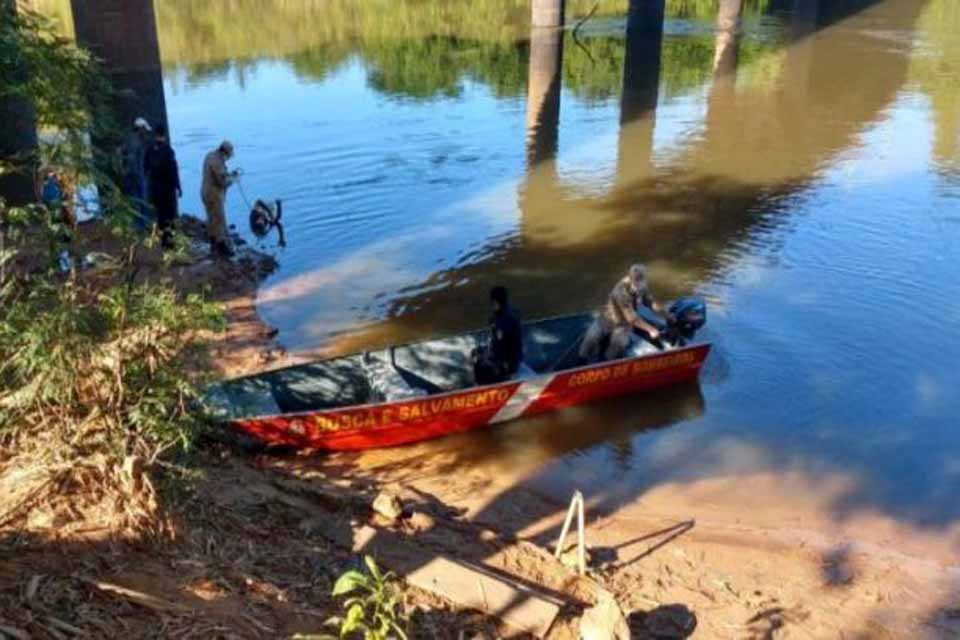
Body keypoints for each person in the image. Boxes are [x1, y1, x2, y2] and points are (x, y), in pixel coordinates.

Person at [579, 264, 671, 362]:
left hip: (624, 324)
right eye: (636, 281)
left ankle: (607, 362)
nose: (639, 285)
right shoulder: (620, 291)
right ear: (630, 278)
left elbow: (650, 302)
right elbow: (632, 319)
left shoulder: (642, 286)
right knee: (590, 339)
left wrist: (667, 314)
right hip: (607, 319)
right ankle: (584, 360)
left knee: (617, 346)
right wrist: (651, 330)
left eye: (641, 280)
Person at [473, 286, 523, 385]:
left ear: (495, 302)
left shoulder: (503, 321)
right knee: (476, 353)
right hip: (509, 358)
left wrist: (488, 358)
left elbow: (502, 347)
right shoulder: (507, 315)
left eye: (492, 302)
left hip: (507, 366)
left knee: (479, 366)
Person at [143, 124, 182, 249]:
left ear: (155, 135)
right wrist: (178, 187)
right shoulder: (168, 151)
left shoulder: (149, 150)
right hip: (167, 189)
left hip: (155, 188)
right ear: (164, 136)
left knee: (160, 214)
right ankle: (170, 243)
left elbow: (145, 168)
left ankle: (163, 241)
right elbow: (173, 171)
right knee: (170, 215)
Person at [201, 140, 238, 258]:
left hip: (205, 192)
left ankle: (213, 246)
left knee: (211, 219)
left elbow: (218, 174)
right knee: (220, 220)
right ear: (225, 152)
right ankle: (222, 248)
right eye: (229, 155)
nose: (229, 158)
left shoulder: (210, 155)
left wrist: (229, 174)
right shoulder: (217, 162)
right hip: (214, 195)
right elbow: (222, 182)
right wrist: (233, 180)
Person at [122, 117, 152, 231]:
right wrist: (140, 177)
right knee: (142, 200)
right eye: (144, 129)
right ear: (140, 128)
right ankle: (142, 226)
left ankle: (138, 225)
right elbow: (133, 162)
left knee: (135, 201)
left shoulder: (129, 139)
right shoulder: (136, 143)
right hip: (137, 176)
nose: (145, 132)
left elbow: (122, 154)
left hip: (131, 176)